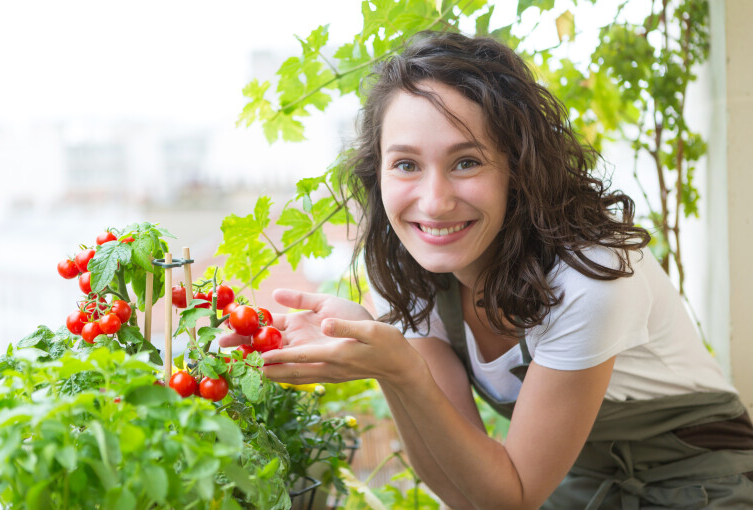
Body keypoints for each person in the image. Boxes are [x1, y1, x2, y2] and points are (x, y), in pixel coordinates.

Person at [221, 31, 753, 509]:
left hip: (704, 483)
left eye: (466, 162)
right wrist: (386, 355)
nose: (434, 202)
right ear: (377, 172)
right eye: (406, 164)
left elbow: (510, 496)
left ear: (517, 168)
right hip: (574, 487)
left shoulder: (591, 277)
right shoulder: (409, 271)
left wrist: (400, 365)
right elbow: (465, 490)